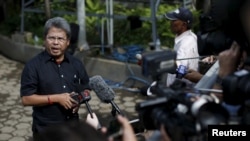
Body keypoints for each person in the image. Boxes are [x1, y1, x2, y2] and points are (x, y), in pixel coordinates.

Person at [20, 17, 91, 141]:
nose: (56, 42)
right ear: (44, 40)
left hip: (72, 128)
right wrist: (57, 98)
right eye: (51, 38)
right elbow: (26, 99)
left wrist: (79, 99)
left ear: (68, 41)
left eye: (60, 38)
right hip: (45, 130)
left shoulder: (76, 64)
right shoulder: (33, 66)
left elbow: (86, 88)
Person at [164, 7, 200, 87]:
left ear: (184, 24)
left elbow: (180, 70)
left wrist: (157, 64)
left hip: (180, 90)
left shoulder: (186, 43)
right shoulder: (188, 36)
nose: (171, 23)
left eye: (174, 20)